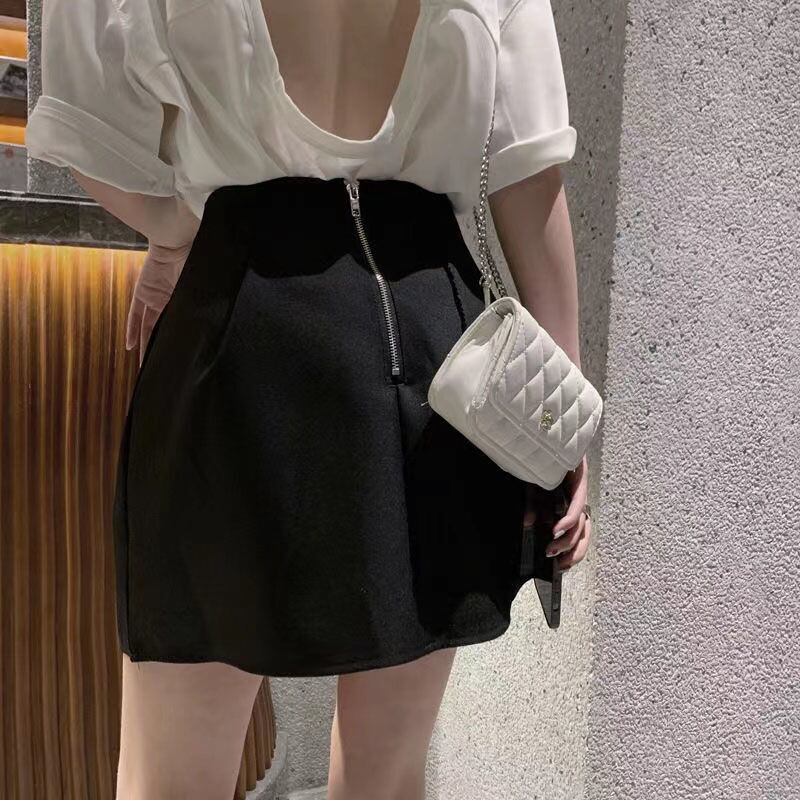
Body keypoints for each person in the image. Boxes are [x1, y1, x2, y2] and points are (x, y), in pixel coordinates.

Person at [26, 0, 593, 800]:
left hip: (240, 326)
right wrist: (559, 418)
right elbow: (528, 174)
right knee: (386, 778)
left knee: (171, 780)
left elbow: (91, 137)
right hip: (430, 349)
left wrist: (181, 232)